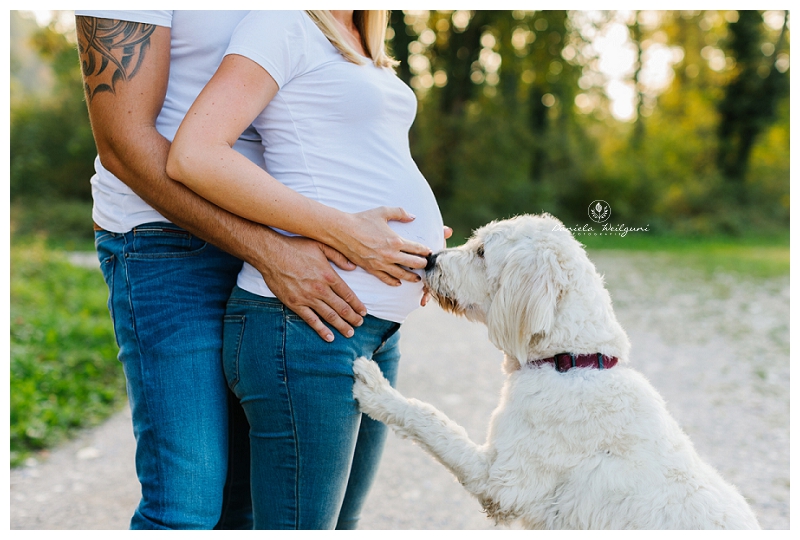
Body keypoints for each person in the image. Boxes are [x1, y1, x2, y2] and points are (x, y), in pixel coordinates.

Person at [75, 10, 429, 530]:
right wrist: (271, 249)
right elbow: (123, 144)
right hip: (166, 239)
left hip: (280, 231)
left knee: (248, 507)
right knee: (187, 503)